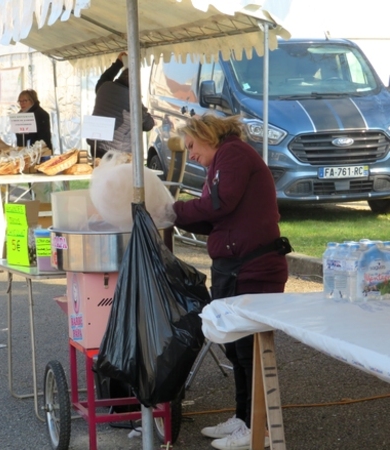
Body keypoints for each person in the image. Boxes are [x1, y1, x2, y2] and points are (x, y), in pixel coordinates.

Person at [171, 114, 289, 450]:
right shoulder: (223, 160)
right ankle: (243, 417)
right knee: (236, 348)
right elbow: (214, 217)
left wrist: (174, 211)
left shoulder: (233, 155)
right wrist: (179, 215)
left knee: (249, 350)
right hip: (235, 266)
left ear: (207, 135)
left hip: (253, 268)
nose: (190, 154)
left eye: (192, 145)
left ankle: (258, 429)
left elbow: (217, 205)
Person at [86, 52, 154, 159]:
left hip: (96, 146)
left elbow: (104, 78)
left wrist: (118, 63)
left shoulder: (104, 86)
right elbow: (148, 125)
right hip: (117, 152)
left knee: (100, 172)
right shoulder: (132, 98)